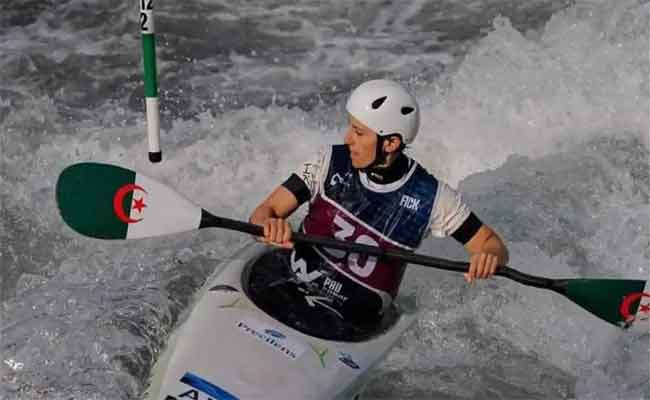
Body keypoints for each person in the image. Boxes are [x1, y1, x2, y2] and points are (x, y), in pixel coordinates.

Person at [249, 79, 509, 330]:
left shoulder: (431, 197)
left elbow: (491, 244)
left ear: (391, 143)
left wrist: (488, 258)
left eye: (359, 132)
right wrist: (269, 224)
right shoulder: (327, 162)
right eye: (350, 127)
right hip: (291, 280)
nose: (348, 138)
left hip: (352, 320)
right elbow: (264, 212)